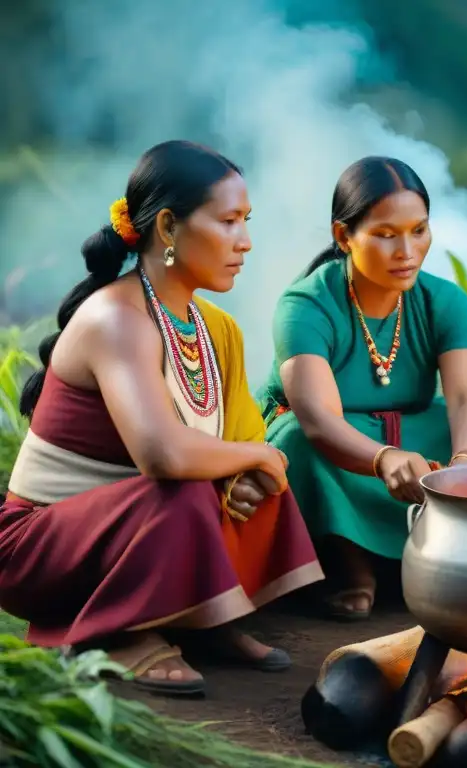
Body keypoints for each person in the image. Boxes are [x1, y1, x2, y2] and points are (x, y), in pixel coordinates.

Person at [0, 141, 324, 696]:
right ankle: (122, 634)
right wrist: (255, 456)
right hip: (39, 550)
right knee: (185, 487)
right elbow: (164, 454)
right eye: (227, 222)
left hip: (129, 527)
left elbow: (235, 436)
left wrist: (245, 472)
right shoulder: (116, 318)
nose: (244, 242)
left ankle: (196, 616)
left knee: (259, 482)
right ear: (169, 227)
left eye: (246, 222)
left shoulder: (210, 325)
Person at [261, 156, 467, 620]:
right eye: (385, 234)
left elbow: (465, 397)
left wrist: (462, 466)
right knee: (298, 437)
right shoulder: (304, 305)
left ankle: (446, 542)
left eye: (419, 230)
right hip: (334, 447)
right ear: (344, 237)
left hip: (411, 435)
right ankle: (348, 560)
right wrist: (383, 458)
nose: (407, 250)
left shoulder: (444, 301)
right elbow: (319, 419)